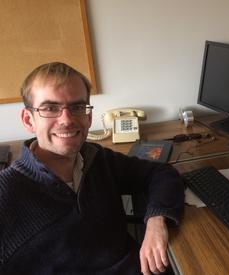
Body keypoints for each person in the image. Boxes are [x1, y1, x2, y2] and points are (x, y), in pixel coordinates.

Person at [0, 62, 184, 274]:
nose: (67, 120)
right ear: (28, 120)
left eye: (77, 107)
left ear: (88, 117)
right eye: (50, 108)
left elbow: (161, 173)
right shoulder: (6, 194)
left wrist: (155, 220)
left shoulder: (97, 159)